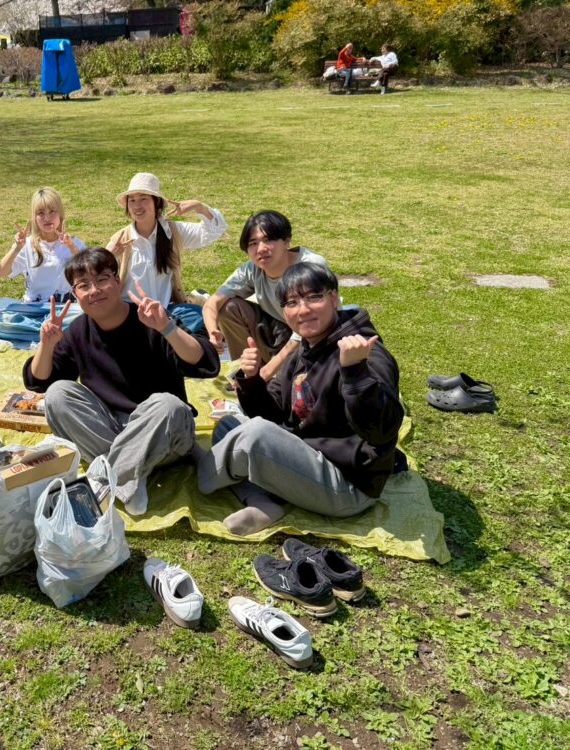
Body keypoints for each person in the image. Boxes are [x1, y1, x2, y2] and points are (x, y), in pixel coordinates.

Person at [196, 263, 403, 536]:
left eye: (313, 297)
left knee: (254, 435)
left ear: (333, 298)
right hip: (308, 455)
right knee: (229, 425)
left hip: (348, 484)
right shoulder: (307, 347)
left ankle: (200, 471)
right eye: (291, 303)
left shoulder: (367, 354)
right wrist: (252, 379)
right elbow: (271, 413)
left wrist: (356, 374)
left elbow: (381, 432)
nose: (302, 310)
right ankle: (263, 500)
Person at [23, 248, 220, 515]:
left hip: (164, 435)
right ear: (75, 294)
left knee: (168, 405)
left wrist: (167, 328)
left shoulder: (150, 319)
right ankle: (129, 477)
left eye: (102, 279)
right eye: (84, 285)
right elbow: (39, 381)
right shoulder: (79, 330)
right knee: (58, 393)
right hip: (110, 430)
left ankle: (110, 479)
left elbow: (206, 363)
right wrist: (46, 346)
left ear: (117, 281)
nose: (94, 291)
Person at [201, 211, 329, 381]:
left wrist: (268, 371)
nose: (261, 249)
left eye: (268, 240)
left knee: (295, 383)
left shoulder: (310, 266)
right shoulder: (252, 269)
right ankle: (247, 371)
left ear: (286, 241)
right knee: (229, 309)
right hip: (279, 331)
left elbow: (308, 329)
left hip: (316, 338)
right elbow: (212, 303)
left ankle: (267, 376)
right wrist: (213, 334)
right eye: (253, 243)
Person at [106, 172, 226, 333]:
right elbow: (94, 274)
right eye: (132, 200)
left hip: (166, 313)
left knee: (202, 317)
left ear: (156, 202)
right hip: (132, 315)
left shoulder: (172, 231)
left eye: (143, 199)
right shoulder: (121, 239)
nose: (137, 206)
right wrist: (109, 254)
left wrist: (199, 207)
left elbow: (214, 231)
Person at [0, 187, 85, 303]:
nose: (47, 218)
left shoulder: (74, 243)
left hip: (65, 307)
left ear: (60, 214)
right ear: (34, 217)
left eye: (52, 211)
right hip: (34, 307)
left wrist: (72, 248)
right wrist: (16, 249)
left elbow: (89, 272)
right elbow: (1, 273)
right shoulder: (27, 244)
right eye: (41, 213)